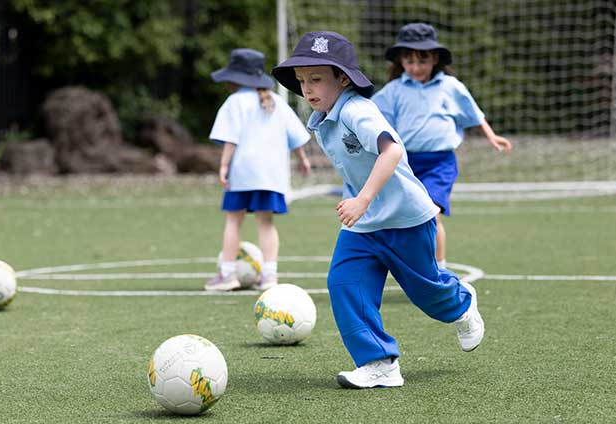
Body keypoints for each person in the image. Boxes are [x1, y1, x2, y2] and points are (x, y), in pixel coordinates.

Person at [271, 31, 484, 388]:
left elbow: (393, 152)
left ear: (343, 78)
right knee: (344, 283)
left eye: (317, 79)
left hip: (405, 219)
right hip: (363, 226)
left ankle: (461, 302)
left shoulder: (357, 110)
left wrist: (362, 199)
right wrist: (360, 204)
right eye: (303, 80)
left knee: (428, 294)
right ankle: (379, 363)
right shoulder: (324, 118)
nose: (307, 89)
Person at [372, 23, 512, 269]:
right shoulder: (393, 90)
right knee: (406, 219)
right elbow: (371, 117)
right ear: (401, 61)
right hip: (404, 163)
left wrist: (491, 135)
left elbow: (474, 112)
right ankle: (411, 267)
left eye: (422, 61)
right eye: (409, 61)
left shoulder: (450, 86)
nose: (416, 68)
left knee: (431, 214)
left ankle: (440, 271)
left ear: (435, 58)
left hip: (440, 163)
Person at [205, 48, 312, 292]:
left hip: (242, 174)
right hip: (271, 175)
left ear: (234, 78)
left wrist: (223, 166)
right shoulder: (276, 101)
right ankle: (269, 277)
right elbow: (296, 136)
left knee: (233, 221)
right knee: (266, 223)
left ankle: (228, 274)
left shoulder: (234, 102)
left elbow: (230, 139)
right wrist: (303, 160)